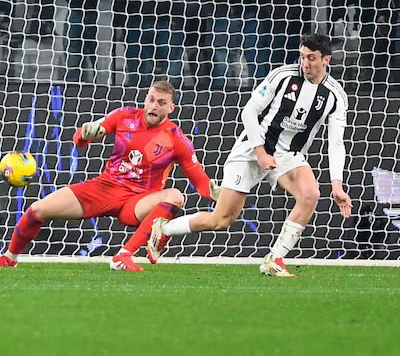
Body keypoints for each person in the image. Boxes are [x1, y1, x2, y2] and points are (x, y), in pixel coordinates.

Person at [149, 34, 352, 278]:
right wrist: (261, 152)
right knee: (222, 220)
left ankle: (274, 258)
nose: (305, 64)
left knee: (310, 194)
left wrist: (337, 185)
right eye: (302, 57)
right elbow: (249, 112)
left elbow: (336, 142)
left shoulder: (335, 96)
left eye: (311, 59)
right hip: (252, 148)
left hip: (288, 155)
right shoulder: (282, 76)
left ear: (326, 60)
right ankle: (165, 229)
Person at [0, 81, 219, 271]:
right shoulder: (125, 116)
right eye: (151, 99)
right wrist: (85, 134)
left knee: (176, 196)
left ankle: (123, 256)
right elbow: (80, 139)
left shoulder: (175, 139)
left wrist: (218, 193)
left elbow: (199, 180)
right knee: (37, 210)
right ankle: (9, 257)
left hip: (136, 202)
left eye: (161, 102)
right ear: (145, 99)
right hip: (104, 188)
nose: (154, 106)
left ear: (170, 108)